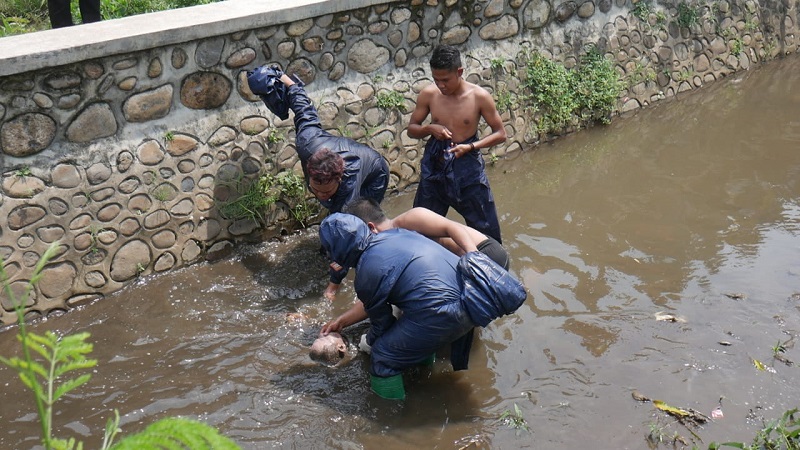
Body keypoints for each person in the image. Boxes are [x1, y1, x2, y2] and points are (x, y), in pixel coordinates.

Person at [318, 213, 526, 400]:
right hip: (474, 300)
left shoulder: (365, 274)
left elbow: (382, 324)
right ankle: (423, 368)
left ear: (338, 254)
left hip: (448, 314)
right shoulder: (399, 233)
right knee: (413, 323)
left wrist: (368, 344)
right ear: (367, 228)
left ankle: (390, 418)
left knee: (383, 355)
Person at [247, 66, 390, 299]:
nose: (321, 196)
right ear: (309, 170)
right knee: (333, 224)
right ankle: (326, 252)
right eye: (317, 190)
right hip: (338, 155)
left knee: (353, 226)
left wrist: (333, 286)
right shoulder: (307, 142)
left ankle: (372, 260)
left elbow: (345, 228)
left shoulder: (349, 185)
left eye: (327, 192)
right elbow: (304, 110)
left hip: (374, 172)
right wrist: (289, 83)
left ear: (339, 180)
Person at [407, 44, 507, 245]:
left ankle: (491, 265)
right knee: (422, 223)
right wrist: (429, 129)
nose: (441, 85)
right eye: (436, 80)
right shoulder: (429, 94)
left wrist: (471, 147)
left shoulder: (479, 97)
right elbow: (412, 129)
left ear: (459, 72)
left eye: (445, 80)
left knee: (485, 227)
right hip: (435, 161)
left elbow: (500, 134)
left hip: (466, 161)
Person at [344, 197, 509, 270]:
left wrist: (475, 258)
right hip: (465, 263)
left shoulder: (409, 219)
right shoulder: (391, 243)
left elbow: (452, 228)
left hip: (486, 254)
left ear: (371, 227)